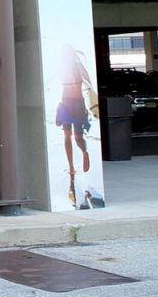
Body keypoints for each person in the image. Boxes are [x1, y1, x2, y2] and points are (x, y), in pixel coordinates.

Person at [55, 44, 94, 206]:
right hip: (65, 103)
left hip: (77, 103)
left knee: (77, 137)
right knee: (66, 135)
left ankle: (84, 152)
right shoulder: (61, 67)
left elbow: (89, 83)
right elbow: (52, 79)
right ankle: (71, 166)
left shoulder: (78, 67)